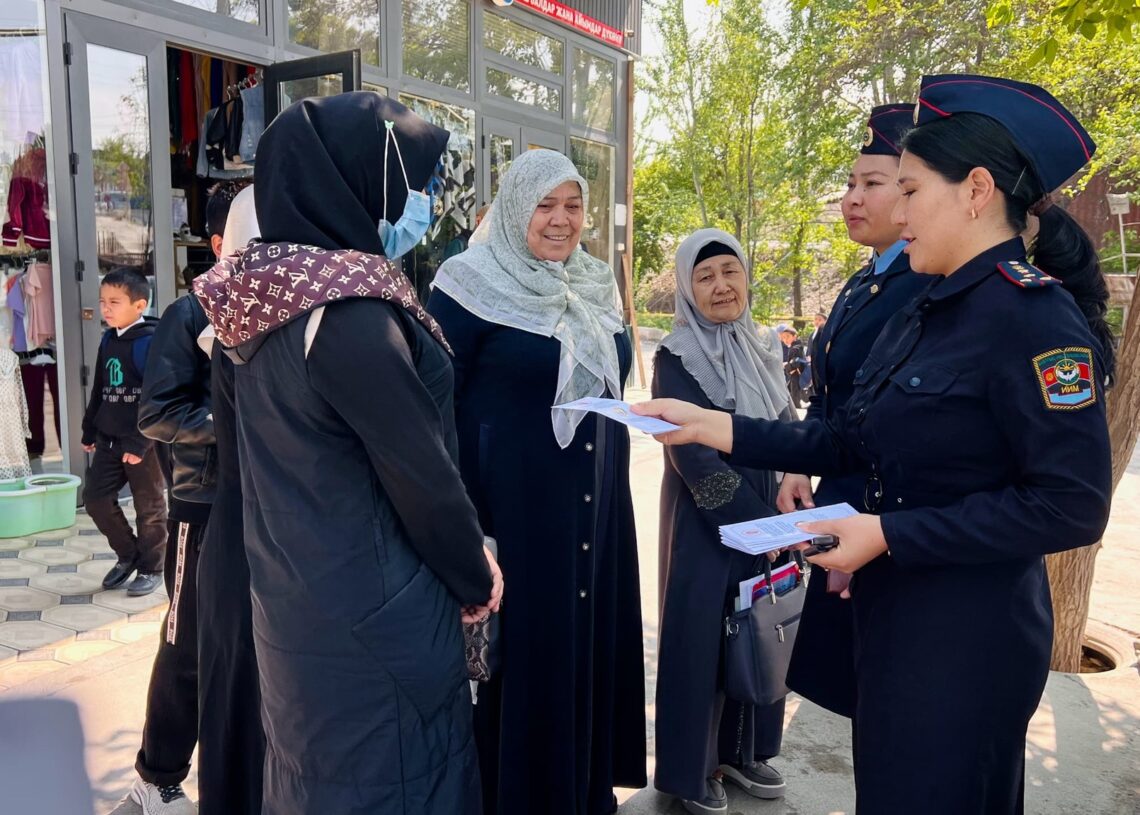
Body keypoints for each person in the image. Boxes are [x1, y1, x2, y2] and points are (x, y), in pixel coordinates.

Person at [633, 74, 1113, 814]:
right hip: (895, 618)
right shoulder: (930, 304)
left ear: (976, 190)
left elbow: (1071, 505)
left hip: (969, 638)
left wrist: (888, 532)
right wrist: (712, 426)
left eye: (910, 190)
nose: (897, 209)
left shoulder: (1032, 319)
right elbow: (851, 437)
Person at [193, 91, 503, 814]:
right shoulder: (348, 315)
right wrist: (474, 573)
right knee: (394, 785)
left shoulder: (258, 298)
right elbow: (420, 474)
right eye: (410, 182)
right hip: (381, 621)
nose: (419, 200)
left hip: (297, 604)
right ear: (358, 180)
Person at [428, 149, 647, 815]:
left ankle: (582, 792)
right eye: (544, 205)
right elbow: (437, 406)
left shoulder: (595, 283)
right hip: (514, 515)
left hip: (594, 508)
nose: (560, 219)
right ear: (515, 207)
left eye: (572, 206)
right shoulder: (466, 284)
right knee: (522, 658)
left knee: (582, 647)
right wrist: (464, 523)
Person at [778, 104, 932, 720]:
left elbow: (901, 429)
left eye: (873, 183)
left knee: (889, 706)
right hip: (842, 508)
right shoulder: (864, 281)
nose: (852, 199)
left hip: (881, 523)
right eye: (849, 183)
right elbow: (830, 398)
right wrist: (797, 465)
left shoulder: (926, 286)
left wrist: (864, 523)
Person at [651, 230, 790, 815]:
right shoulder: (676, 355)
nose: (721, 286)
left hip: (770, 507)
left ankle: (743, 751)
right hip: (706, 515)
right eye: (705, 277)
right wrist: (760, 525)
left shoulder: (763, 345)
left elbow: (788, 423)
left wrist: (792, 481)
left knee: (760, 628)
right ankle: (694, 768)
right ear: (687, 289)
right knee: (703, 640)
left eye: (730, 271)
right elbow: (693, 457)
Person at [125, 182, 245, 815]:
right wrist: (234, 424)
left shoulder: (282, 303)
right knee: (188, 642)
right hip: (202, 504)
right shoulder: (189, 312)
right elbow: (157, 414)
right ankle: (157, 775)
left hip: (266, 504)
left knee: (247, 646)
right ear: (221, 242)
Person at [195, 183, 265, 815]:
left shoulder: (241, 319)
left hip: (250, 532)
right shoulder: (244, 323)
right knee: (240, 686)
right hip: (250, 534)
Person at [81, 268, 166, 597]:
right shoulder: (108, 339)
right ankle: (129, 554)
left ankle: (152, 567)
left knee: (149, 508)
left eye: (114, 302)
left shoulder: (151, 341)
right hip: (108, 439)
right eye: (103, 301)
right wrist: (89, 429)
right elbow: (100, 388)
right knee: (95, 499)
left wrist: (140, 442)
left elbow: (158, 396)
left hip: (144, 442)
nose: (106, 308)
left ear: (139, 305)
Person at [777, 324, 807, 408]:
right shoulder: (795, 347)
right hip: (795, 374)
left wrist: (786, 365)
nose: (785, 339)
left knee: (794, 395)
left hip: (796, 375)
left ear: (794, 337)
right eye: (783, 337)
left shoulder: (795, 348)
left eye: (787, 336)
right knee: (790, 393)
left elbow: (795, 364)